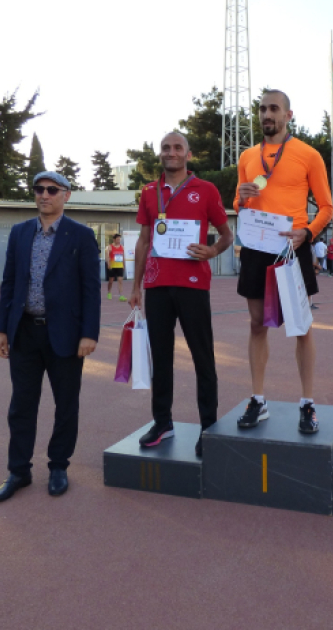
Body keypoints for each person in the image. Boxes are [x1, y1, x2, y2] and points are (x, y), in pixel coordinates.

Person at [0, 171, 101, 503]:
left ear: (66, 195)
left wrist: (89, 333)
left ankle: (58, 467)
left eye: (52, 189)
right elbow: (9, 283)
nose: (44, 195)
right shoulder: (20, 232)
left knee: (65, 404)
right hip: (24, 332)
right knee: (21, 405)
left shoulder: (81, 235)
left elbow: (91, 289)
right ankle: (18, 471)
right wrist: (1, 328)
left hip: (65, 335)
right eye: (39, 189)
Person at [233, 89, 333, 434]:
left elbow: (327, 207)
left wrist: (308, 232)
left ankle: (307, 403)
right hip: (256, 247)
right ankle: (258, 399)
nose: (266, 114)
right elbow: (240, 205)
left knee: (301, 327)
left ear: (288, 115)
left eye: (274, 108)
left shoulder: (308, 155)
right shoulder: (247, 156)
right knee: (256, 325)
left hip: (293, 247)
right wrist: (240, 199)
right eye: (262, 109)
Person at [129, 132, 233, 457]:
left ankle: (208, 427)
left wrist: (212, 250)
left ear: (188, 155)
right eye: (166, 148)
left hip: (193, 285)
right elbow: (144, 239)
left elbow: (227, 235)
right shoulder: (149, 192)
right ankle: (163, 422)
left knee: (203, 358)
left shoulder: (206, 190)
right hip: (157, 286)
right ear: (160, 154)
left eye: (177, 148)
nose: (171, 152)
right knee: (160, 358)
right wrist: (135, 287)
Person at [106, 233, 127, 300]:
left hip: (120, 266)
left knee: (120, 281)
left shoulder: (122, 247)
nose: (119, 240)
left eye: (119, 239)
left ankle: (121, 295)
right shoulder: (109, 247)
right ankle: (109, 292)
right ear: (114, 240)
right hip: (112, 266)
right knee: (111, 281)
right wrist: (108, 263)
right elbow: (107, 256)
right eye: (117, 239)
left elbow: (123, 257)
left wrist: (124, 265)